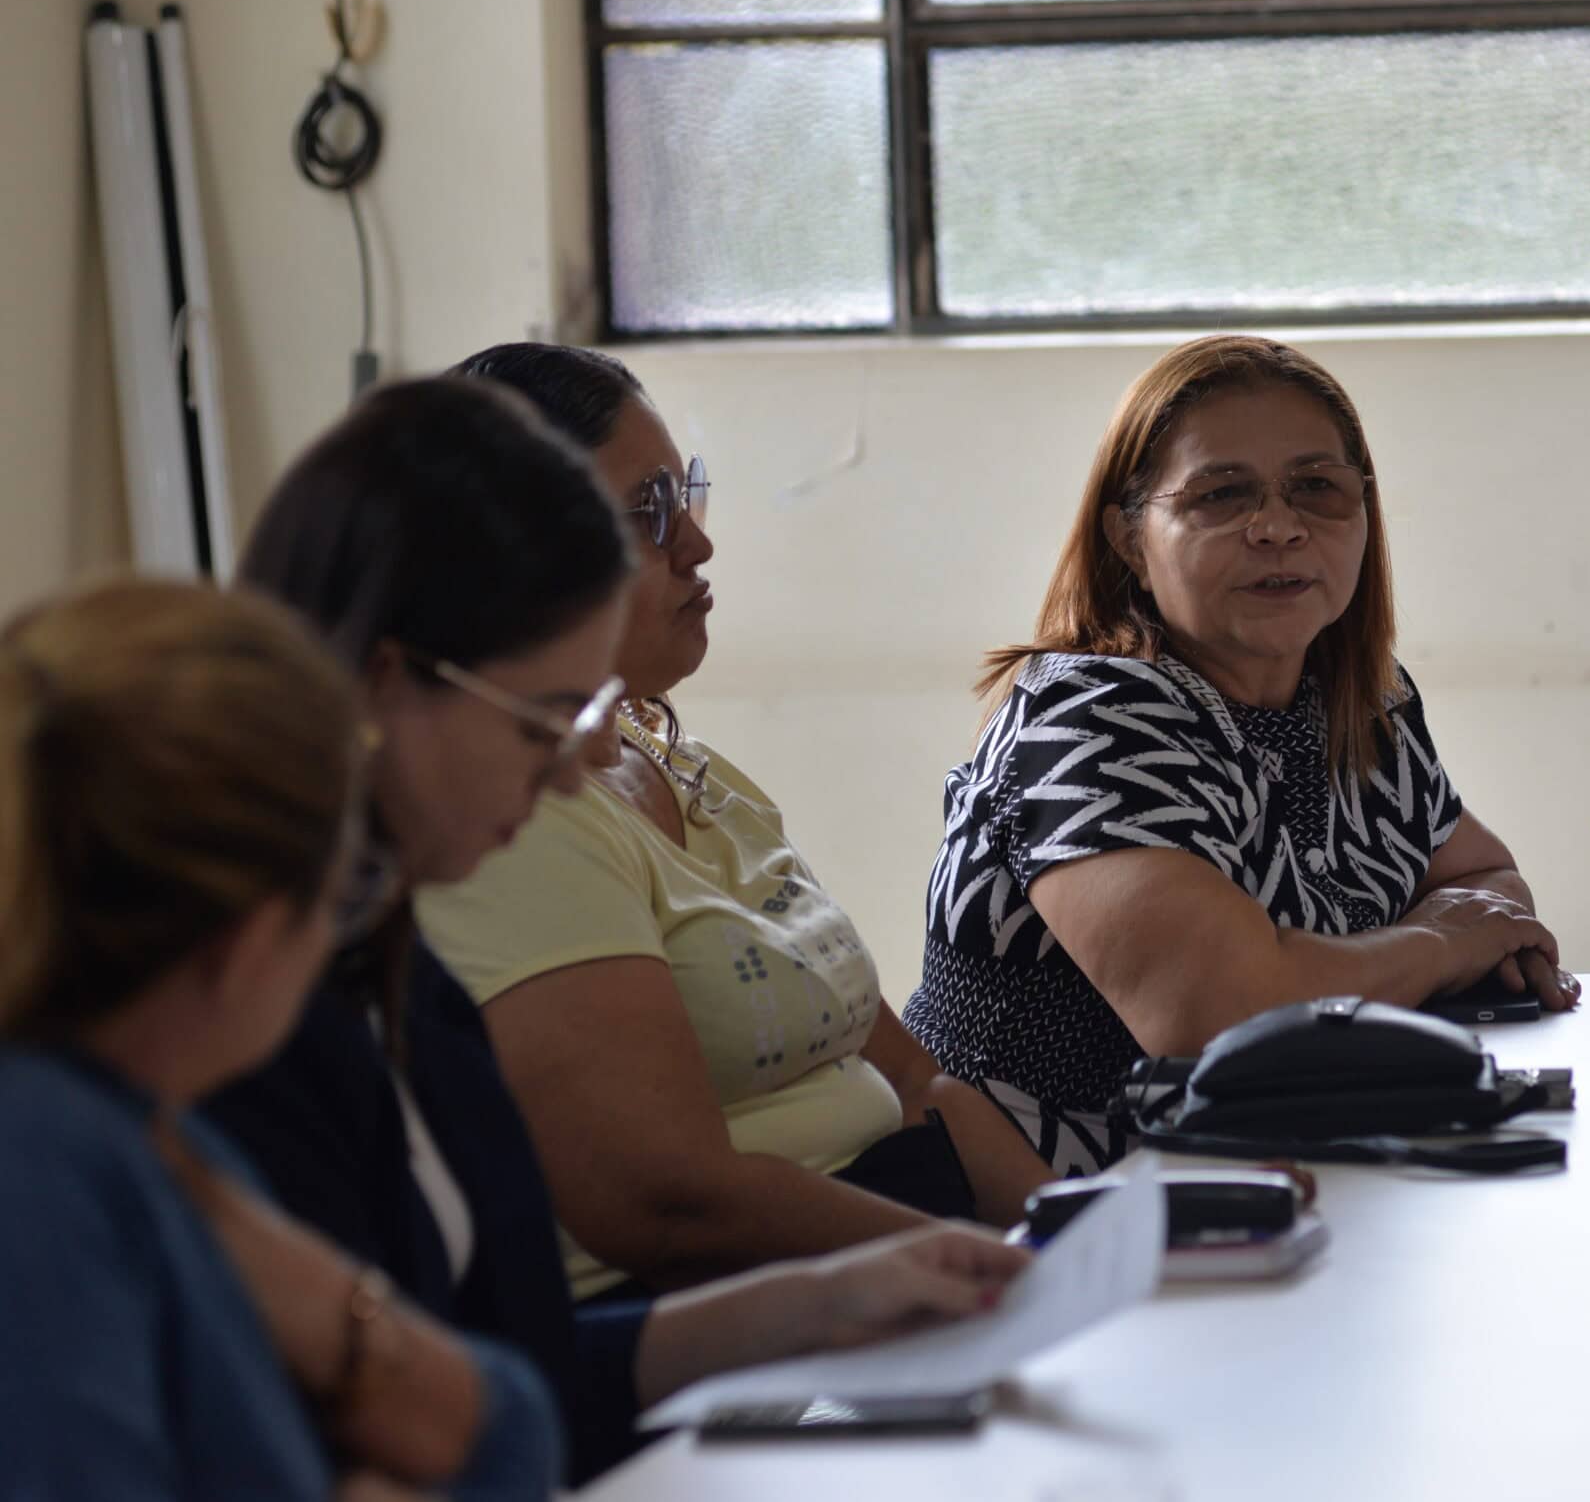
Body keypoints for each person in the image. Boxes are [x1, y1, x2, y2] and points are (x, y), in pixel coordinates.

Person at [208, 379, 1025, 1484]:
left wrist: (829, 1297)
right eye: (553, 713)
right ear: (385, 687)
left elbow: (514, 1372)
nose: (590, 758)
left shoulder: (407, 987)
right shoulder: (231, 1047)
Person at [415, 345, 1055, 1305]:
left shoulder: (690, 767)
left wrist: (1074, 1229)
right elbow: (668, 1203)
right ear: (515, 554)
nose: (697, 546)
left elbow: (918, 1079)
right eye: (647, 513)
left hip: (893, 1245)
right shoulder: (519, 822)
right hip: (740, 1304)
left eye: (689, 497)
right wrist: (984, 1275)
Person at [905, 334, 1578, 1174]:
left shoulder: (1354, 694)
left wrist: (1392, 955)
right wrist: (1440, 950)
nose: (1278, 528)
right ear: (1128, 537)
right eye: (1221, 495)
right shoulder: (1088, 713)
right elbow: (1226, 1012)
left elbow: (1487, 882)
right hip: (1045, 1211)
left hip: (1285, 1176)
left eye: (1318, 489)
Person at [0, 579, 559, 1501]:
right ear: (256, 938)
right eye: (349, 889)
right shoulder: (46, 1164)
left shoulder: (153, 1138)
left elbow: (513, 1435)